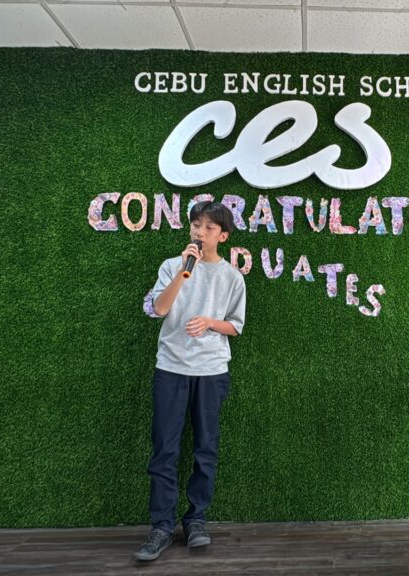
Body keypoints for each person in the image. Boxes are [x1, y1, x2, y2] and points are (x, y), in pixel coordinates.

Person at [134, 200, 246, 562]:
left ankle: (196, 519)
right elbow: (158, 309)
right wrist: (183, 275)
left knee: (205, 450)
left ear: (223, 236)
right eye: (196, 225)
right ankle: (161, 527)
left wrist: (210, 323)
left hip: (211, 372)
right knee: (164, 450)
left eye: (209, 227)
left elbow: (236, 326)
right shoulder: (173, 266)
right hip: (171, 368)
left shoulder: (232, 277)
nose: (200, 232)